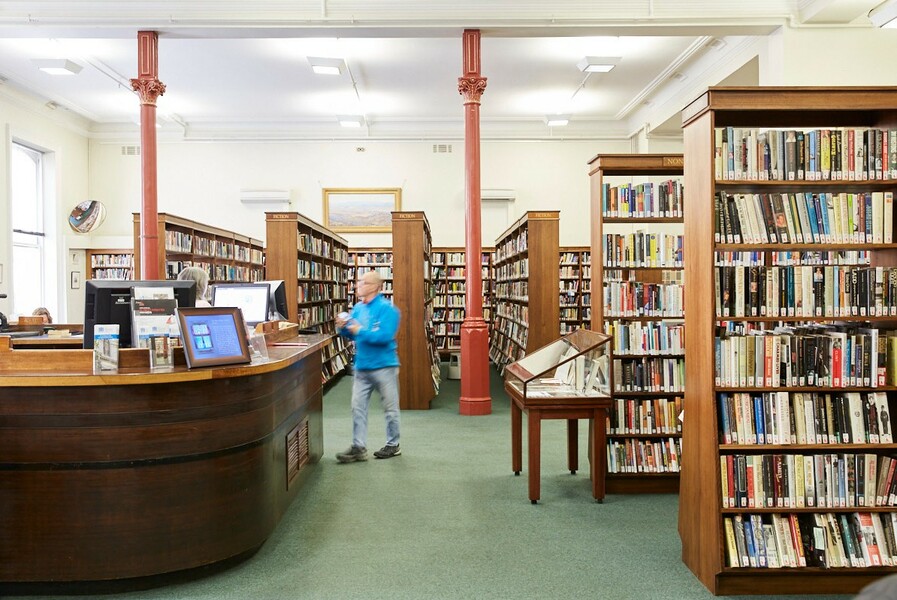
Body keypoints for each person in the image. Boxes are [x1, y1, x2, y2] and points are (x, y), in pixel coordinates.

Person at [335, 270, 402, 463]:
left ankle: (393, 444)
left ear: (374, 286)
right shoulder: (357, 308)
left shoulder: (388, 310)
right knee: (357, 408)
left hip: (384, 366)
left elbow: (384, 336)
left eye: (362, 282)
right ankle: (358, 447)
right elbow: (353, 335)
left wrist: (360, 330)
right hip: (362, 366)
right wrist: (343, 328)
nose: (357, 285)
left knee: (390, 408)